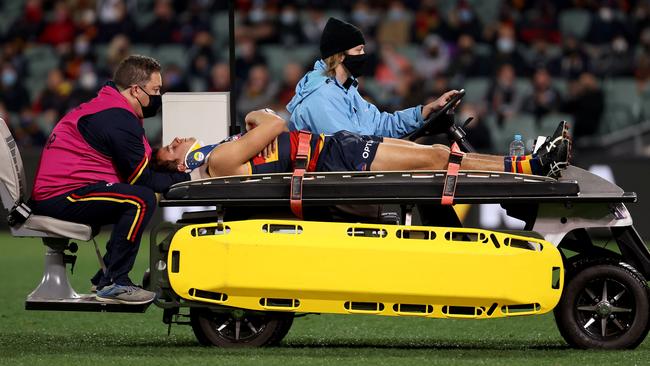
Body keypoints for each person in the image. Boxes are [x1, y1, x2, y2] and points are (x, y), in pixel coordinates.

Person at [29, 55, 193, 305]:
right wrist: (188, 178)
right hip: (62, 195)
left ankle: (105, 277)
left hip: (62, 191)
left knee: (133, 198)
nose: (159, 97)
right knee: (140, 200)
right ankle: (115, 281)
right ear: (136, 90)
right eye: (156, 90)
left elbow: (143, 165)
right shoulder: (118, 117)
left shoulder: (114, 108)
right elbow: (143, 179)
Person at [153, 109, 570, 182]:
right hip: (333, 158)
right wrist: (253, 120)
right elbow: (272, 121)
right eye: (168, 149)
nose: (172, 141)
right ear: (177, 166)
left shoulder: (222, 154)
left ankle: (528, 161)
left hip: (334, 148)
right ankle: (531, 166)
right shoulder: (221, 159)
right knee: (440, 156)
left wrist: (253, 126)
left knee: (440, 154)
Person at [286, 17, 460, 138]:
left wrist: (426, 110)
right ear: (339, 56)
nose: (364, 55)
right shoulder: (321, 97)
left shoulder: (346, 90)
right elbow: (346, 149)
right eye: (358, 50)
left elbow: (379, 125)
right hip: (329, 185)